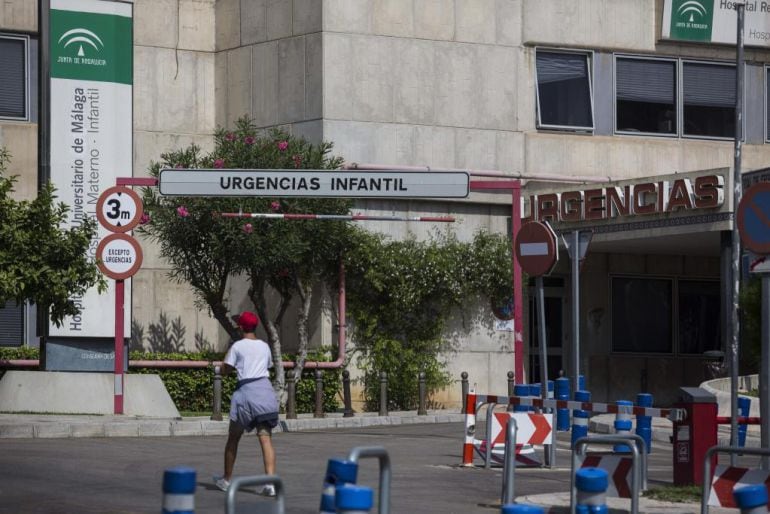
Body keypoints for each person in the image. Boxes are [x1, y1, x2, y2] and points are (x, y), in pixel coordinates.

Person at [213, 311, 279, 496]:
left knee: (233, 438)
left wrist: (220, 364)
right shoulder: (265, 346)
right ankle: (270, 484)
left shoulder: (237, 347)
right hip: (265, 392)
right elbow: (267, 366)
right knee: (265, 439)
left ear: (240, 327)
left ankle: (226, 480)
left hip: (246, 393)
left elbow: (226, 369)